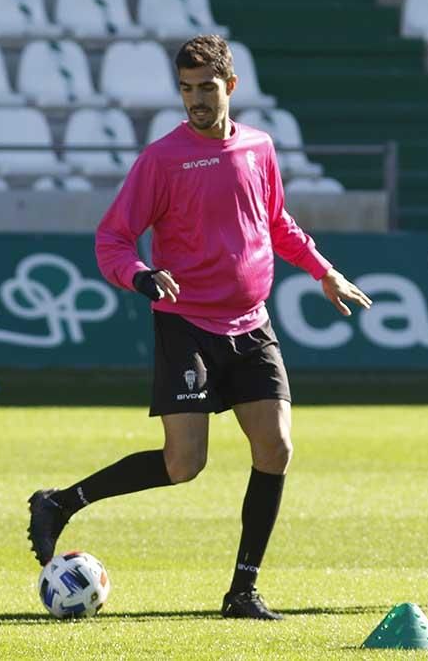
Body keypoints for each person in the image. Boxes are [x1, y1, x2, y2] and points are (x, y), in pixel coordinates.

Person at [26, 34, 372, 621]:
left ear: (230, 87)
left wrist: (324, 270)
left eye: (206, 88)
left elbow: (276, 221)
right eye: (186, 89)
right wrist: (139, 276)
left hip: (252, 323)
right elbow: (113, 237)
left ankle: (242, 592)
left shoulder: (259, 148)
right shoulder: (162, 159)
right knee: (185, 464)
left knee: (277, 446)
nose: (196, 101)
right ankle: (61, 502)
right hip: (186, 323)